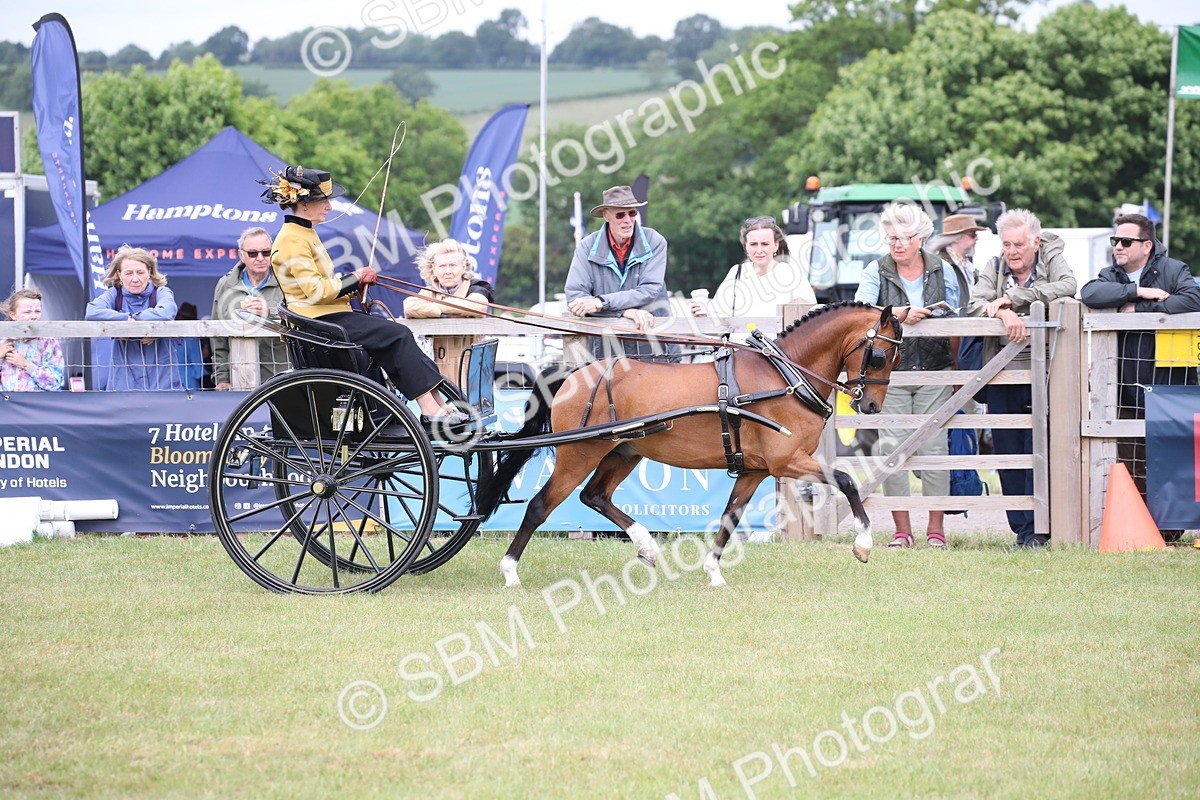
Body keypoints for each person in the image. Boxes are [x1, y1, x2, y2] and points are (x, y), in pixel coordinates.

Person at [261, 165, 467, 426]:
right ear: (305, 204)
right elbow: (315, 291)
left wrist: (352, 287)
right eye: (324, 201)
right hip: (320, 324)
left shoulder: (304, 233)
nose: (329, 207)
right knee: (397, 334)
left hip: (329, 316)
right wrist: (355, 278)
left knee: (395, 333)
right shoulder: (291, 239)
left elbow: (319, 288)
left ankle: (436, 406)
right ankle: (430, 410)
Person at [1080, 213, 1200, 533]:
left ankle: (1169, 529)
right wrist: (1138, 293)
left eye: (1125, 241)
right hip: (1123, 383)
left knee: (1170, 456)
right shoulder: (1111, 274)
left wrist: (1143, 312)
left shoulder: (1174, 270)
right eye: (1114, 241)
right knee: (1131, 457)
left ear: (1146, 246)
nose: (1117, 247)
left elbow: (1192, 299)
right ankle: (1136, 527)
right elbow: (1090, 294)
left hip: (1167, 382)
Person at [854, 203, 962, 549]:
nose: (897, 244)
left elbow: (958, 313)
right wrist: (901, 314)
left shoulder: (942, 269)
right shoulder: (876, 269)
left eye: (903, 238)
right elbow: (862, 311)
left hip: (936, 368)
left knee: (935, 450)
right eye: (891, 238)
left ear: (920, 239)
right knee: (892, 449)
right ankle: (902, 531)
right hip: (890, 373)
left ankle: (936, 531)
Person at [968, 208, 1077, 548]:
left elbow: (1069, 286)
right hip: (1001, 370)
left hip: (1046, 369)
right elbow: (974, 302)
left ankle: (1044, 526)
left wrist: (1015, 298)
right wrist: (1002, 312)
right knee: (1007, 449)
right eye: (1006, 245)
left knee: (1042, 446)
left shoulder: (1053, 256)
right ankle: (1022, 529)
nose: (1012, 251)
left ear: (1035, 242)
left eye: (1018, 244)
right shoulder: (994, 267)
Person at [565, 185, 678, 361]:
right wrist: (624, 312)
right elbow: (575, 298)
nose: (628, 220)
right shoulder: (586, 247)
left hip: (656, 351)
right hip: (606, 354)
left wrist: (601, 303)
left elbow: (649, 290)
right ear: (606, 215)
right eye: (620, 214)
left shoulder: (656, 241)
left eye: (632, 213)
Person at [85, 246, 181, 391]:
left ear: (149, 272)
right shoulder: (113, 294)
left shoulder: (161, 292)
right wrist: (126, 320)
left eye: (140, 272)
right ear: (119, 274)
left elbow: (167, 311)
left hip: (162, 379)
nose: (135, 279)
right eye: (129, 273)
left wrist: (135, 325)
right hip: (123, 380)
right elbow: (92, 311)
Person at [403, 238, 496, 384]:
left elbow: (477, 306)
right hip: (434, 368)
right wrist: (445, 311)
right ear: (434, 269)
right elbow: (409, 307)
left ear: (463, 267)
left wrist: (431, 309)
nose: (448, 271)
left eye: (453, 265)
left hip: (470, 368)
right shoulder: (428, 292)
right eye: (442, 266)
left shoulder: (478, 287)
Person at [691, 216, 816, 319]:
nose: (759, 250)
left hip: (776, 348)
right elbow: (719, 324)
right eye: (753, 244)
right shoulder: (737, 272)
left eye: (765, 244)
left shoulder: (791, 274)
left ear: (776, 246)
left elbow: (809, 320)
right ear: (746, 247)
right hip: (738, 347)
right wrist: (703, 314)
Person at [211, 226, 290, 390]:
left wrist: (270, 313)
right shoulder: (225, 285)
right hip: (239, 379)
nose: (260, 258)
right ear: (241, 255)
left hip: (281, 377)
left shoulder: (287, 281)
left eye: (266, 252)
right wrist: (222, 377)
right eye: (253, 253)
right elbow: (217, 337)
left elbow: (302, 322)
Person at [0, 288, 64, 391]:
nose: (33, 316)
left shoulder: (48, 342)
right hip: (6, 403)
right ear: (12, 315)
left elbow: (54, 383)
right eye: (27, 312)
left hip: (36, 403)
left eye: (37, 311)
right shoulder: (2, 340)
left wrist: (26, 364)